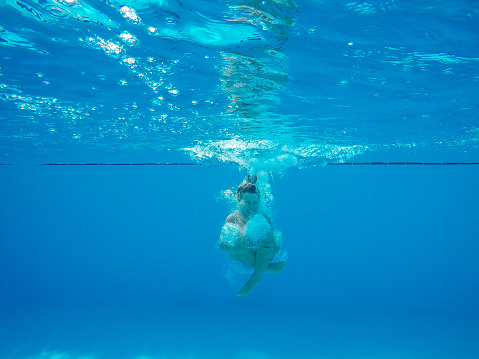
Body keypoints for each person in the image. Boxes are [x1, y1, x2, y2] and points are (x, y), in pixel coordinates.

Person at [218, 175, 285, 296]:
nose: (252, 207)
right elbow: (222, 245)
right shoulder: (233, 218)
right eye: (247, 202)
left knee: (266, 239)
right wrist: (235, 248)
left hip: (262, 256)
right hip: (241, 263)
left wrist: (275, 248)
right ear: (239, 201)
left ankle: (254, 278)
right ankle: (264, 270)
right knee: (240, 241)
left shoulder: (263, 218)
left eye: (255, 203)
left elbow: (274, 240)